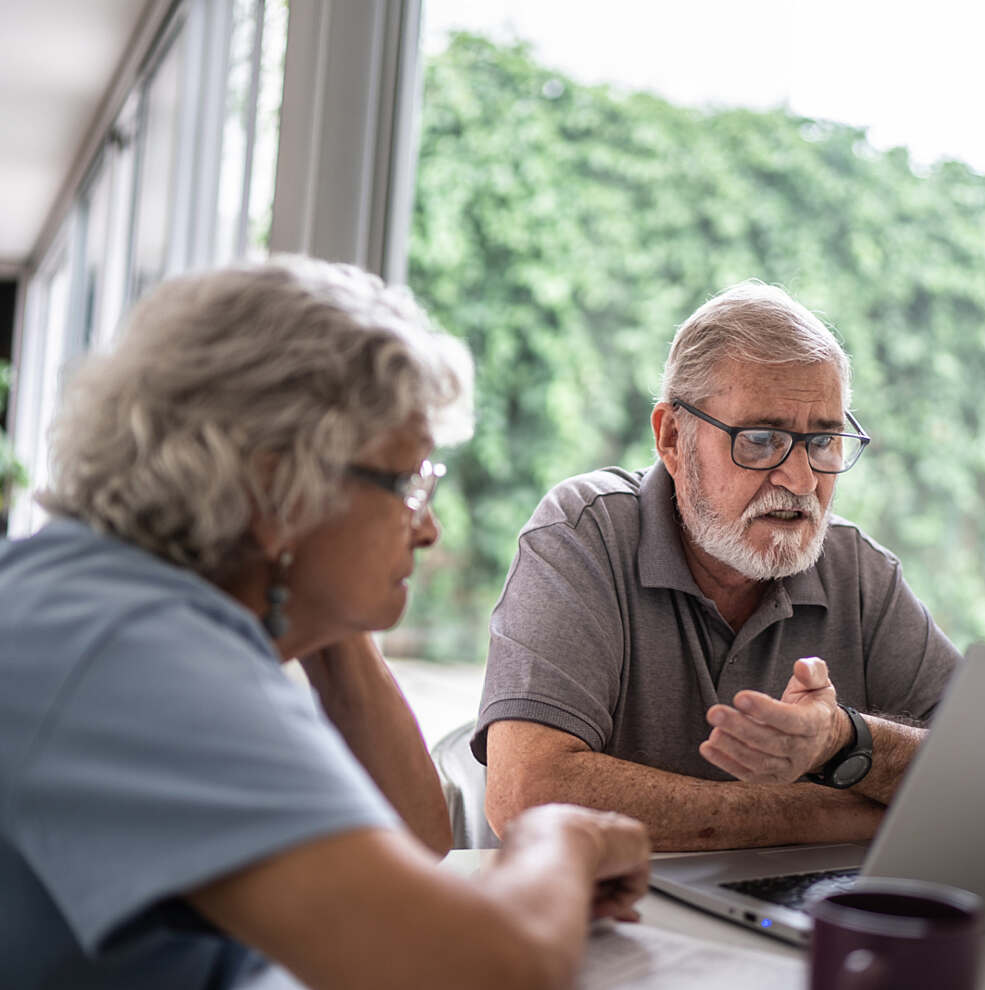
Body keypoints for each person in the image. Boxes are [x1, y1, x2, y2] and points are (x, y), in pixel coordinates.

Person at [0, 256, 649, 990]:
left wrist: (323, 612)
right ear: (277, 486)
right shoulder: (133, 653)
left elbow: (417, 840)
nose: (429, 529)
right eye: (408, 483)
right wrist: (561, 835)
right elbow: (483, 969)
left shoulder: (121, 599)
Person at [477, 280, 961, 851]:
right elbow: (527, 796)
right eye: (760, 439)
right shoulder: (584, 533)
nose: (802, 481)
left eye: (824, 441)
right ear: (672, 438)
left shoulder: (858, 570)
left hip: (785, 923)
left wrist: (846, 739)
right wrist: (857, 814)